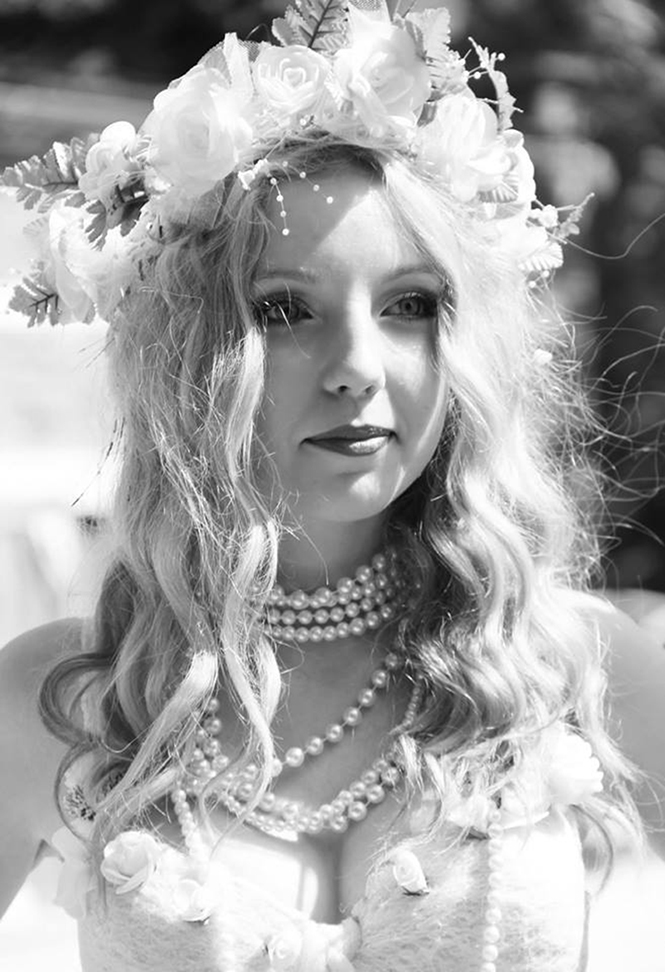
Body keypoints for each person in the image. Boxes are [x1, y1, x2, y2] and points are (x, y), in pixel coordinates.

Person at [1, 2, 664, 970]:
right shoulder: (60, 699)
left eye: (409, 305)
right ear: (188, 354)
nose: (357, 366)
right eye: (283, 311)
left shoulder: (577, 670)